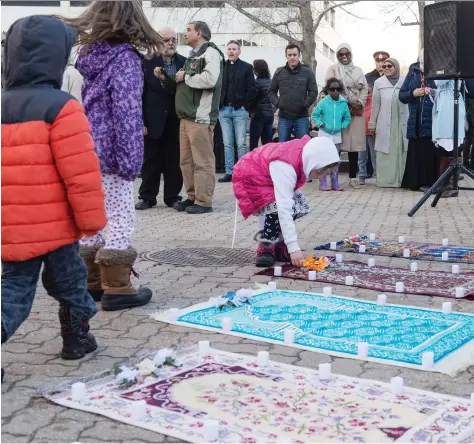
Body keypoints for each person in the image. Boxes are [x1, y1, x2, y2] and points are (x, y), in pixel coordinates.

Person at [1, 16, 106, 366]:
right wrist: (91, 222)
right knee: (71, 283)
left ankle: (78, 339)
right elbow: (81, 173)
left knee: (14, 290)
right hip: (58, 225)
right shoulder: (62, 107)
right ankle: (76, 338)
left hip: (11, 224)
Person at [62, 0, 162, 310]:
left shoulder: (88, 56)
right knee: (119, 216)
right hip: (113, 152)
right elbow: (127, 113)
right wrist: (132, 161)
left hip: (86, 148)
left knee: (91, 217)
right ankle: (117, 287)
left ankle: (93, 282)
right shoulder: (124, 59)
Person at [233, 136, 340, 267]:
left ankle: (278, 245)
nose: (320, 177)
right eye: (319, 173)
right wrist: (294, 248)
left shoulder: (305, 154)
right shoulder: (285, 166)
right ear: (313, 163)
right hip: (251, 174)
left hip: (268, 173)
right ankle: (266, 246)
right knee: (276, 206)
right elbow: (283, 208)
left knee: (296, 204)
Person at [156, 21, 224, 214]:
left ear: (199, 33)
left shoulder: (211, 53)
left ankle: (204, 201)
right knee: (186, 161)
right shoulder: (193, 56)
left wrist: (184, 77)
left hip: (200, 117)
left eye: (188, 30)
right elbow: (182, 86)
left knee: (202, 161)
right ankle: (192, 196)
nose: (184, 34)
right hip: (185, 118)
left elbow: (210, 80)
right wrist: (166, 79)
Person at [136, 27, 186, 211]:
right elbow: (138, 94)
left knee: (174, 161)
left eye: (174, 39)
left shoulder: (184, 62)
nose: (171, 42)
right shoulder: (146, 63)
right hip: (152, 120)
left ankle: (173, 197)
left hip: (176, 120)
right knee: (151, 161)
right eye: (166, 39)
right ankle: (147, 197)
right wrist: (141, 121)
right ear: (157, 41)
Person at [326, 43, 368, 189]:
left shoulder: (358, 70)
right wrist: (346, 102)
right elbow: (329, 88)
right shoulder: (333, 69)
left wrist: (359, 103)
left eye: (347, 54)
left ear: (351, 54)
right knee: (336, 144)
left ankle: (353, 177)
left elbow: (365, 89)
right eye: (341, 54)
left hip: (356, 111)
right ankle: (333, 177)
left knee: (353, 145)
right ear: (337, 55)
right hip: (339, 110)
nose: (344, 57)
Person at [400, 51, 439, 192]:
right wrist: (413, 93)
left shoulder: (439, 70)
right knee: (417, 150)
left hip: (433, 118)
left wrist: (433, 91)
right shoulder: (413, 71)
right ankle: (415, 182)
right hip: (416, 119)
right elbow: (402, 95)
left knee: (430, 150)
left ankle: (429, 183)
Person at [218, 40, 256, 182]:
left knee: (241, 143)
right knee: (227, 143)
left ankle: (242, 172)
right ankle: (229, 172)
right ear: (226, 51)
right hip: (224, 110)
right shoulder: (221, 67)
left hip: (240, 110)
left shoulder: (246, 67)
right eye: (229, 49)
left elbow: (252, 88)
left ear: (239, 51)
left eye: (234, 49)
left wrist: (245, 105)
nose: (231, 51)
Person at [368, 58, 408, 188]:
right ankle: (386, 180)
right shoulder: (379, 83)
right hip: (385, 122)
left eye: (389, 66)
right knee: (386, 150)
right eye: (384, 67)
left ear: (396, 66)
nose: (386, 68)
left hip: (402, 121)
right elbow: (375, 105)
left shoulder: (405, 81)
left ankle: (403, 179)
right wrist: (372, 123)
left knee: (402, 149)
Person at [268, 44, 318, 142]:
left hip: (301, 117)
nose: (292, 57)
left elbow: (313, 91)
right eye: (289, 55)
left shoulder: (307, 71)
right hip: (284, 118)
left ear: (299, 55)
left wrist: (305, 104)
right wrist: (278, 103)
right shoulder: (279, 72)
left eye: (294, 55)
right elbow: (271, 91)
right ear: (286, 56)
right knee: (283, 148)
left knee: (303, 147)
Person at [311, 77, 351, 191]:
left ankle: (335, 183)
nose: (335, 91)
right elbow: (314, 115)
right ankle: (322, 183)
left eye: (338, 89)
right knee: (323, 158)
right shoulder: (323, 102)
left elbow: (347, 117)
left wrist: (343, 125)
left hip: (337, 135)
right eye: (332, 89)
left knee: (335, 159)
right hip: (324, 134)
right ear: (327, 90)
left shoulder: (343, 103)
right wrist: (320, 124)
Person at [432, 78, 466, 198]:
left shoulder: (449, 62)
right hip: (444, 100)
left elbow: (439, 81)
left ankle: (451, 185)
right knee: (444, 141)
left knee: (450, 138)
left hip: (450, 102)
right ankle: (443, 183)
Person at [249, 59, 274, 150]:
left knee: (253, 142)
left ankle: (253, 162)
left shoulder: (256, 83)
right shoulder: (271, 82)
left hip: (258, 114)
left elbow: (251, 99)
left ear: (257, 70)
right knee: (267, 143)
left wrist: (250, 110)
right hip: (269, 114)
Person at [358, 83, 376, 184]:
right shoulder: (361, 102)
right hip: (361, 132)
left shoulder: (374, 101)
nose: (368, 92)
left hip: (372, 132)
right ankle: (361, 175)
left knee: (374, 155)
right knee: (361, 156)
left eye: (370, 90)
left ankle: (378, 175)